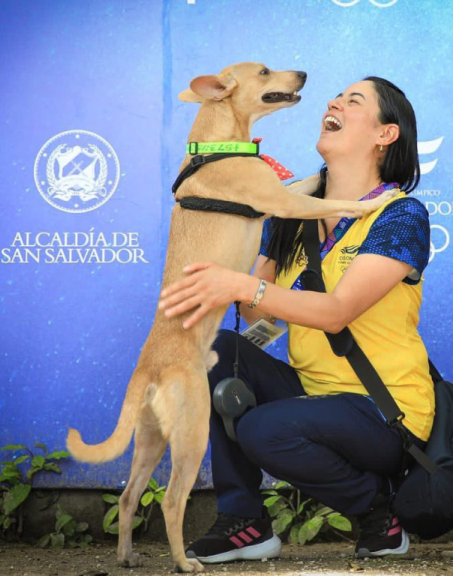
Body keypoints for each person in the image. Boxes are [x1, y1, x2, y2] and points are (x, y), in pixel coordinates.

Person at [158, 77, 432, 562]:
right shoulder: (293, 212)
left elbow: (337, 312)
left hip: (384, 411)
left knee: (264, 428)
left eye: (353, 101)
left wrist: (244, 285)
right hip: (311, 392)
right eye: (335, 97)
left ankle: (378, 515)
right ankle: (244, 521)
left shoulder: (399, 214)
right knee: (216, 352)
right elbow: (254, 311)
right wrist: (247, 204)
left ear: (384, 135)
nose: (333, 102)